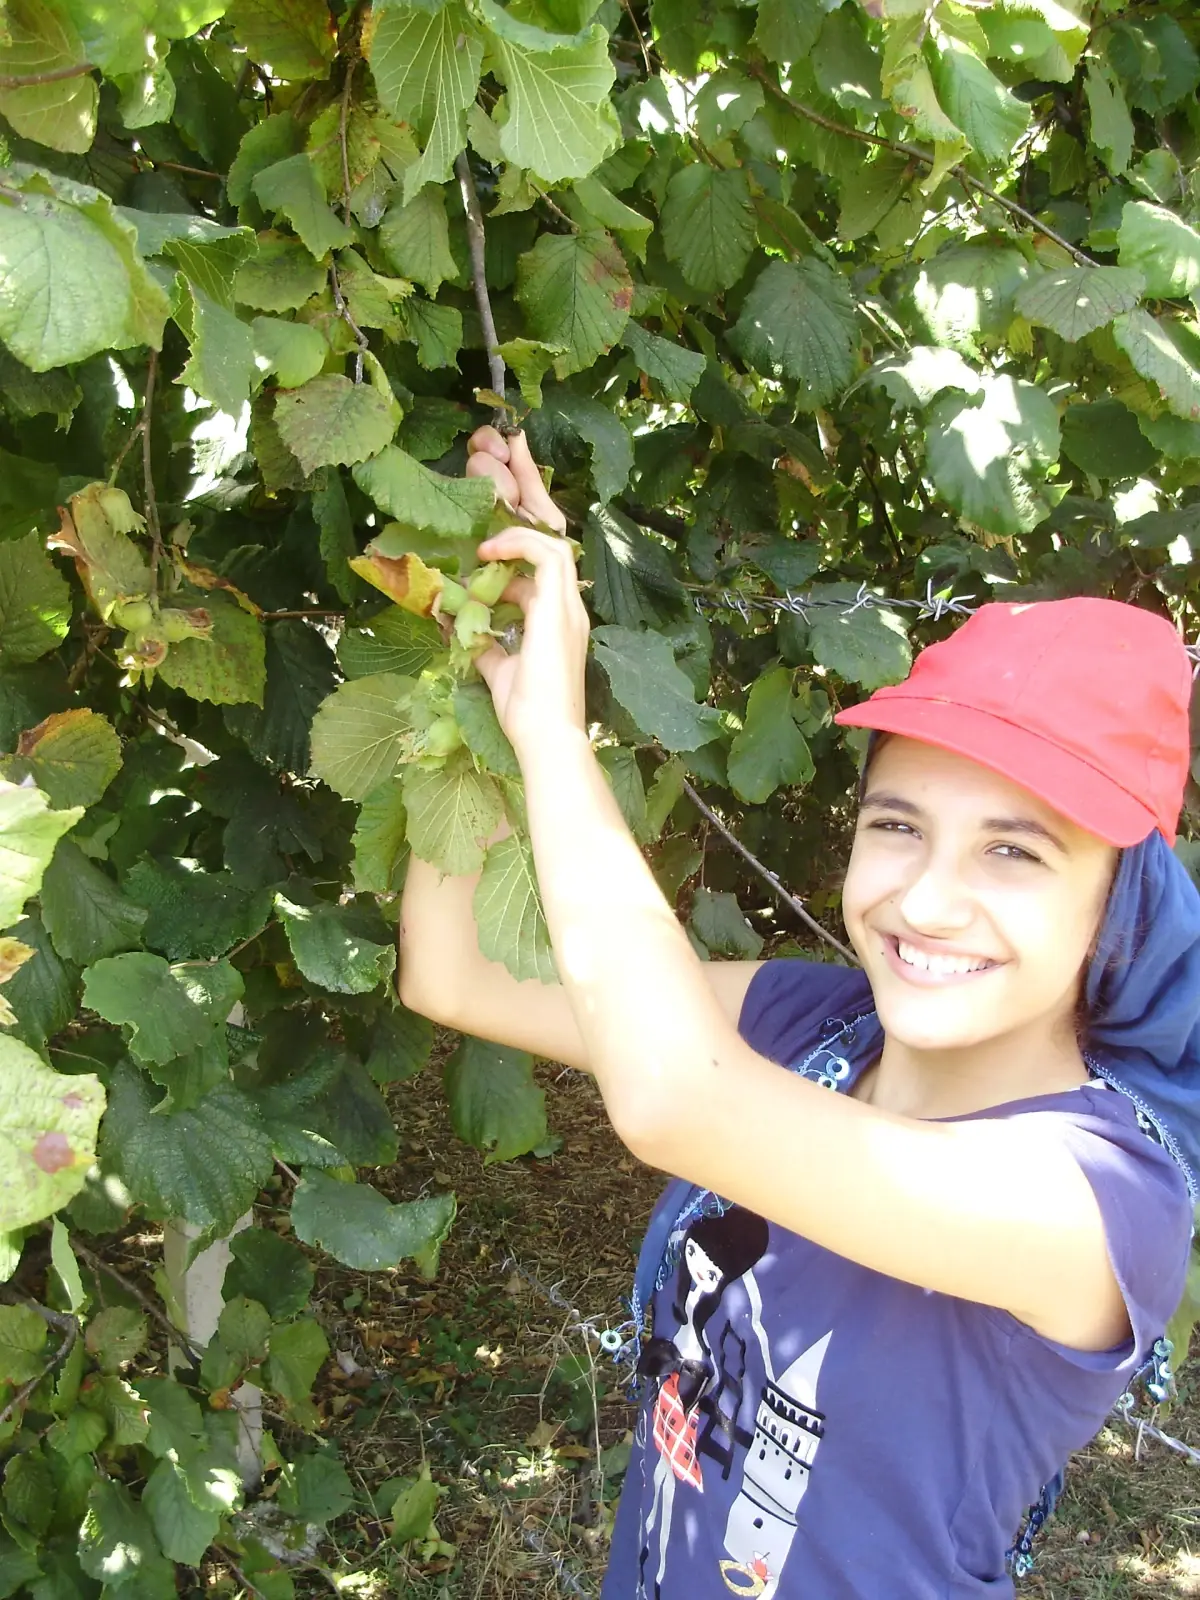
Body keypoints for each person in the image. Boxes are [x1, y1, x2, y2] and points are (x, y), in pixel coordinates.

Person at [398, 426, 1200, 1598]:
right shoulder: (811, 1023)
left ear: (1113, 909)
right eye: (897, 824)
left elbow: (674, 1101)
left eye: (1016, 853)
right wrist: (478, 647)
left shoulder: (1099, 1200)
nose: (927, 898)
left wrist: (554, 733)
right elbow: (457, 971)